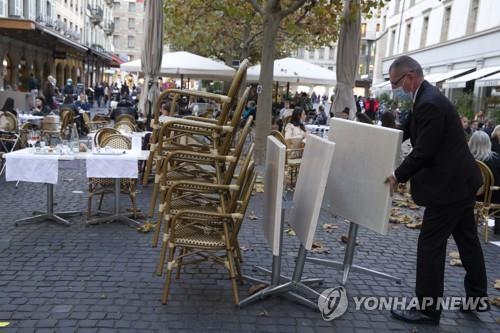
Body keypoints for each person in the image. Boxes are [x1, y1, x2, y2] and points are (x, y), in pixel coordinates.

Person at [385, 56, 488, 325]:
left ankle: (428, 310)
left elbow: (424, 150)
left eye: (396, 82)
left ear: (409, 75)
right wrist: (380, 141)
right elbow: (405, 131)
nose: (396, 88)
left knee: (430, 244)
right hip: (459, 183)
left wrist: (397, 175)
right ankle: (477, 296)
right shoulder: (426, 97)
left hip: (449, 188)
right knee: (468, 241)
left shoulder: (428, 102)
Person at [468, 131, 500, 235]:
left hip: (469, 196)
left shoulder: (466, 159)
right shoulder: (496, 160)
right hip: (491, 198)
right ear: (488, 143)